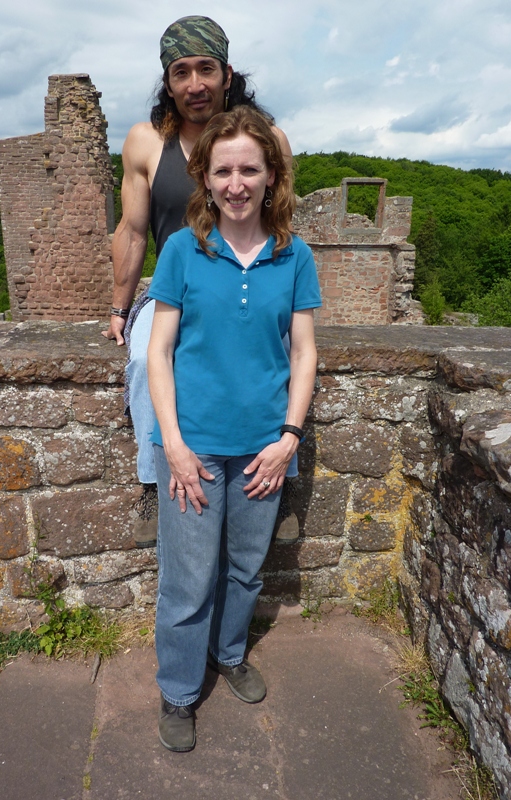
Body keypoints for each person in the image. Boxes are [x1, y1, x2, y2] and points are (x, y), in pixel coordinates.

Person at [147, 106, 321, 752]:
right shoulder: (182, 251)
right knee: (189, 579)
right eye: (224, 170)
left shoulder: (293, 255)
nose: (237, 183)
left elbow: (303, 352)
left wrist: (288, 439)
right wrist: (173, 444)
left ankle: (228, 653)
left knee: (246, 569)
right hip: (191, 446)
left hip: (264, 449)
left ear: (271, 176)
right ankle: (179, 689)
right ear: (206, 177)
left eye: (250, 168)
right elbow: (158, 351)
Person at [102, 15, 300, 547]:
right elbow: (133, 228)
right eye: (181, 72)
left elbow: (280, 220)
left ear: (227, 73)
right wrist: (121, 308)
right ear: (167, 82)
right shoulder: (147, 142)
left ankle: (280, 479)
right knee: (146, 359)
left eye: (206, 69)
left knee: (285, 353)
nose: (195, 84)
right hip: (174, 293)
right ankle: (155, 478)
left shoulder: (267, 139)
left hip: (247, 282)